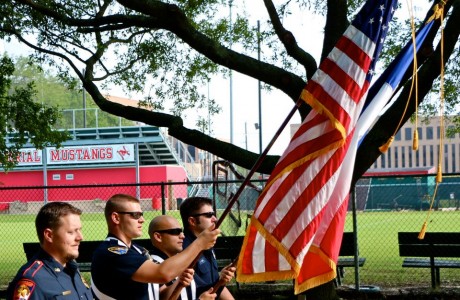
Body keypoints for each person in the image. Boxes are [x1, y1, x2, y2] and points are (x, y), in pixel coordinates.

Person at [91, 194, 220, 300]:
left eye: (142, 214)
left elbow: (161, 294)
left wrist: (179, 284)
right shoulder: (112, 252)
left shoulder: (138, 250)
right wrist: (199, 243)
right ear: (116, 218)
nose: (142, 220)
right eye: (135, 215)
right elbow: (162, 274)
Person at [6, 202, 93, 300]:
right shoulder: (32, 280)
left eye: (79, 230)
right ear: (49, 235)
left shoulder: (72, 270)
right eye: (71, 232)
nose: (80, 237)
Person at [180, 197, 236, 300]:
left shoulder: (209, 244)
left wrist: (220, 280)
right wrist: (220, 280)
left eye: (213, 214)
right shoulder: (184, 250)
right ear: (192, 221)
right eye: (209, 215)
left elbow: (212, 286)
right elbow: (196, 291)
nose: (215, 218)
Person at [148, 215, 216, 300]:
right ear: (158, 237)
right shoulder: (152, 266)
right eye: (175, 232)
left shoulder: (182, 262)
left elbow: (200, 289)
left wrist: (221, 280)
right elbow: (163, 297)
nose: (182, 236)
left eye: (181, 231)